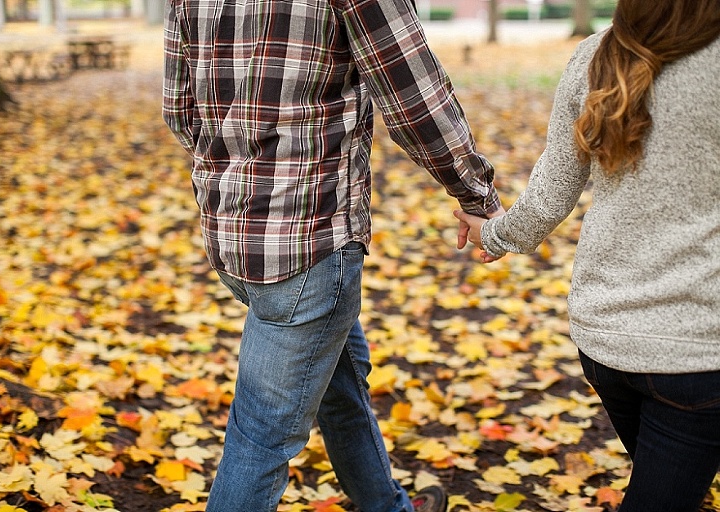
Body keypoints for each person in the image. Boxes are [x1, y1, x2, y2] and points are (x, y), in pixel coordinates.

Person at [162, 0, 505, 509]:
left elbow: (179, 108)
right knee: (261, 438)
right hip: (310, 246)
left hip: (232, 233)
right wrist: (478, 196)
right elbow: (413, 97)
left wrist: (236, 176)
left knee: (339, 391)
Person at [455, 1, 720, 510]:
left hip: (605, 341)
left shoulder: (593, 56)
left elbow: (551, 193)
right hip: (696, 352)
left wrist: (494, 234)